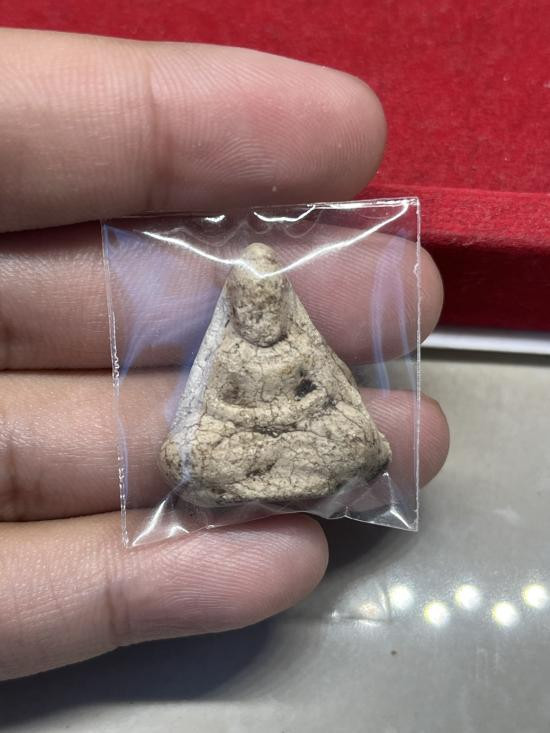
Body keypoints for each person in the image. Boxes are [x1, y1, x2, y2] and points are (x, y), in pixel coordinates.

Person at [0, 28, 449, 680]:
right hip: (238, 437)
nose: (260, 312)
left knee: (353, 444)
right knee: (192, 457)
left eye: (266, 300)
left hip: (300, 432)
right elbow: (199, 424)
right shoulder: (223, 351)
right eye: (251, 301)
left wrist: (321, 421)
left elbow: (339, 403)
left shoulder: (303, 347)